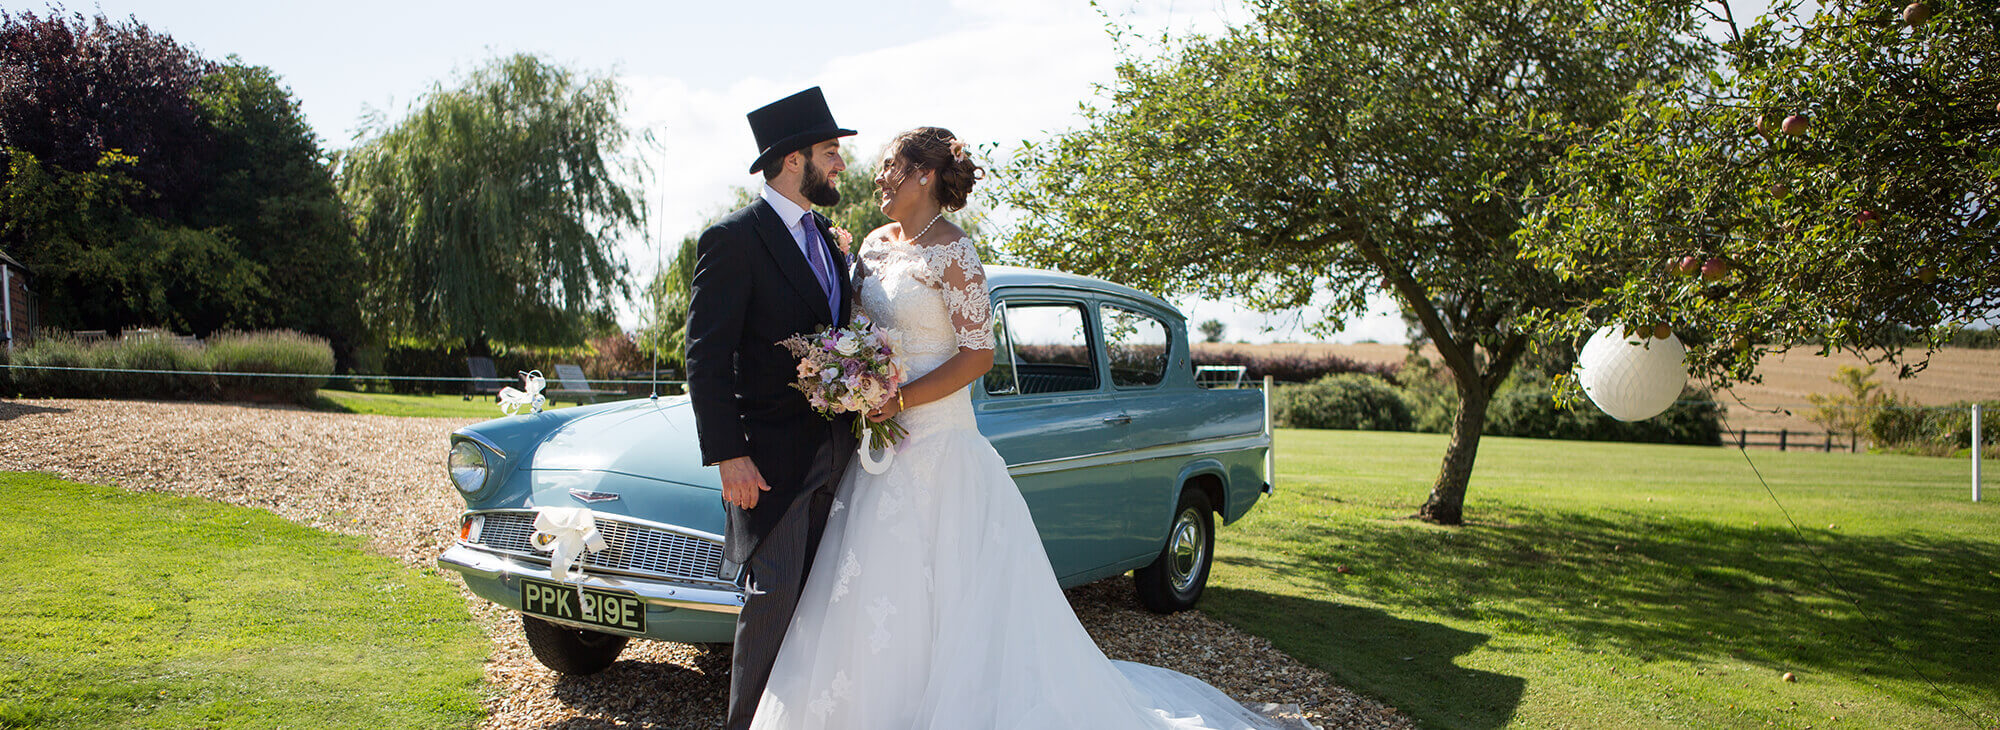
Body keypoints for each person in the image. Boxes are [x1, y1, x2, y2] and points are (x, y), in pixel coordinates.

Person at [748, 127, 1300, 730]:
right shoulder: (874, 246)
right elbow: (856, 326)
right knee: (872, 592)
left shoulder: (956, 253)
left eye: (890, 167)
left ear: (924, 176)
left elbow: (977, 356)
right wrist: (853, 374)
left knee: (953, 594)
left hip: (940, 446)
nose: (876, 177)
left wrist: (899, 396)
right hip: (880, 451)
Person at [684, 86, 861, 730]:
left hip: (841, 456)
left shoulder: (831, 241)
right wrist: (728, 454)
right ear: (793, 160)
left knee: (825, 603)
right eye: (830, 151)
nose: (840, 164)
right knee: (771, 600)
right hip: (767, 464)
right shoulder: (733, 239)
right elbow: (706, 356)